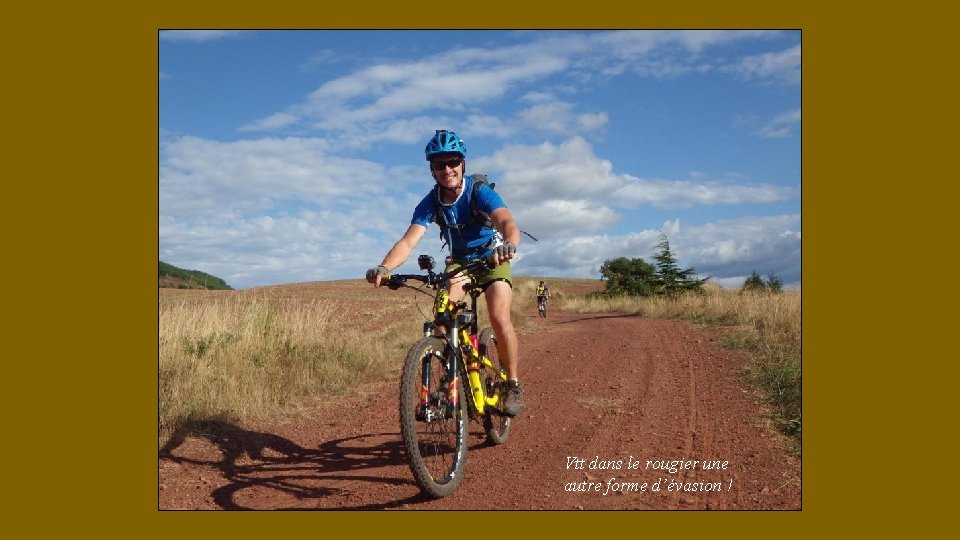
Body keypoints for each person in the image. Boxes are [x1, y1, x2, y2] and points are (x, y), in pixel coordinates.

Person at [366, 130, 524, 416]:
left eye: (452, 162)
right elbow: (408, 240)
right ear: (432, 169)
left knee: (500, 318)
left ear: (462, 163)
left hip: (492, 258)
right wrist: (385, 267)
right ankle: (446, 380)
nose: (447, 169)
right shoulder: (431, 202)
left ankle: (512, 384)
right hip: (461, 263)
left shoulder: (478, 192)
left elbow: (506, 220)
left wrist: (509, 244)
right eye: (440, 164)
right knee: (442, 314)